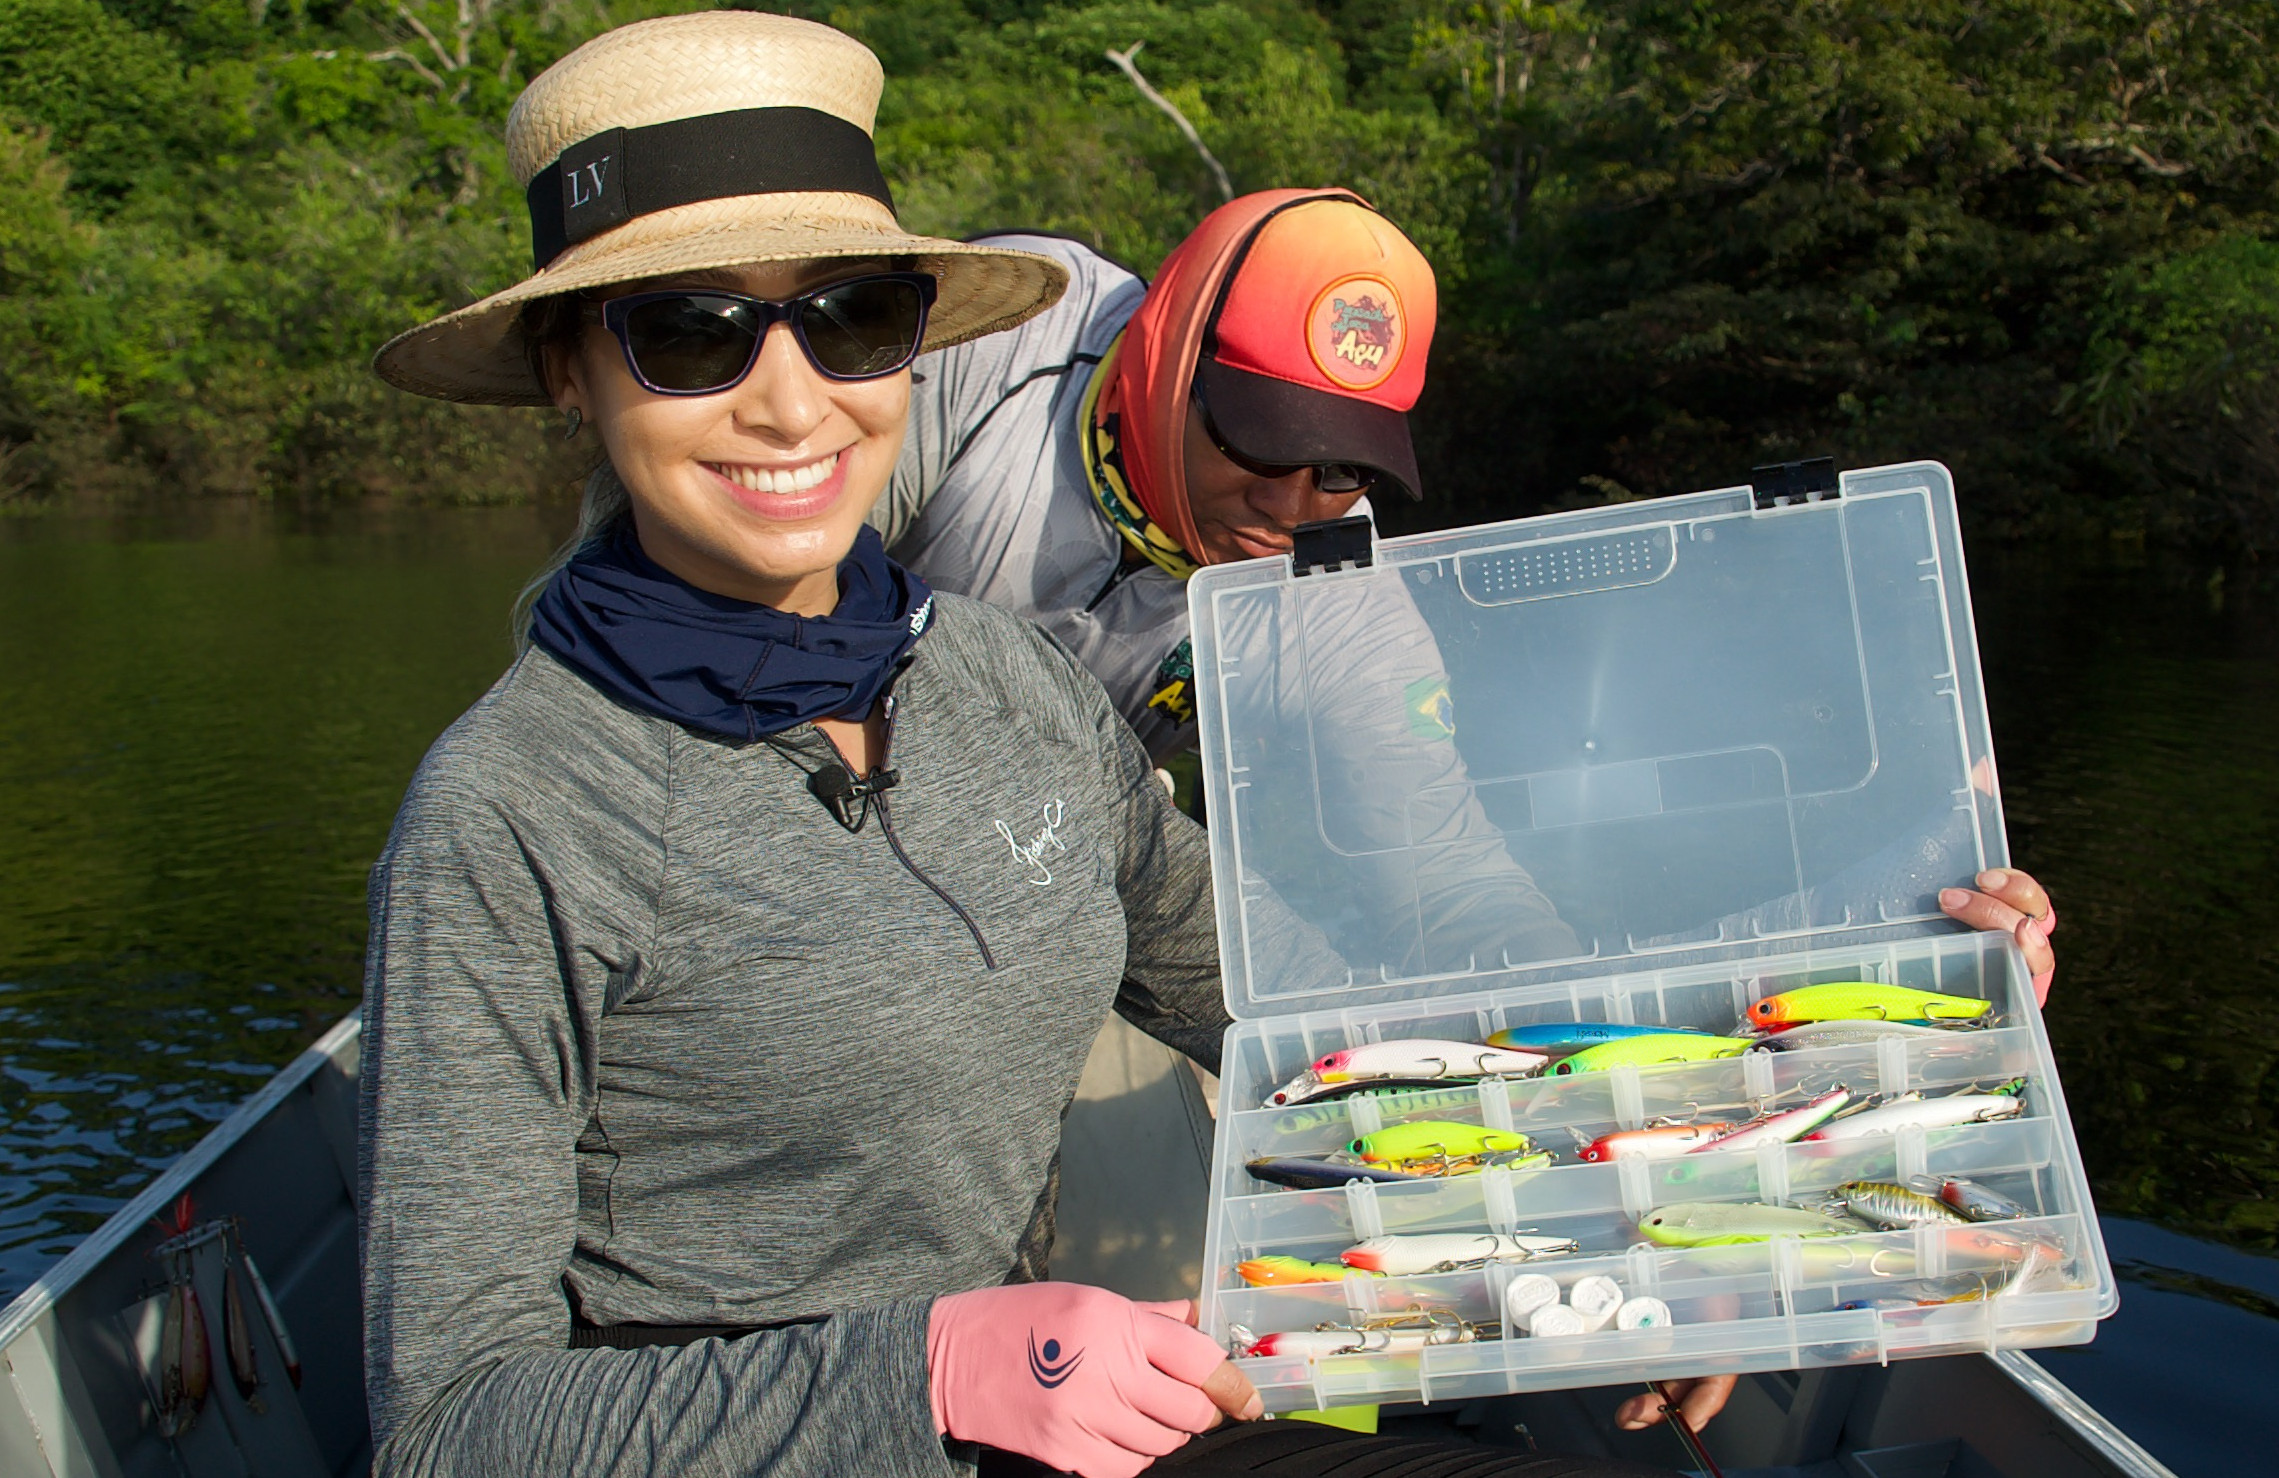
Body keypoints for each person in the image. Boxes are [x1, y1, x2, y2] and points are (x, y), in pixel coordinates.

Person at [359, 12, 1697, 1478]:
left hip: (1025, 1416)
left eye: (852, 317)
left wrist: (1659, 1160)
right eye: (689, 331)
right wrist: (928, 1364)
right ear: (568, 370)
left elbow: (1292, 1005)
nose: (792, 399)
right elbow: (447, 1431)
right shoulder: (511, 813)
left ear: (906, 346)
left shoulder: (1002, 683)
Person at [876, 194, 2063, 1435]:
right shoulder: (984, 346)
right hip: (844, 824)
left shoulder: (1327, 574)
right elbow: (770, 595)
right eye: (1257, 437)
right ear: (1167, 351)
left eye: (1337, 461)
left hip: (1083, 871)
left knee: (1211, 1322)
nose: (1292, 499)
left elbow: (1451, 887)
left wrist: (1645, 1228)